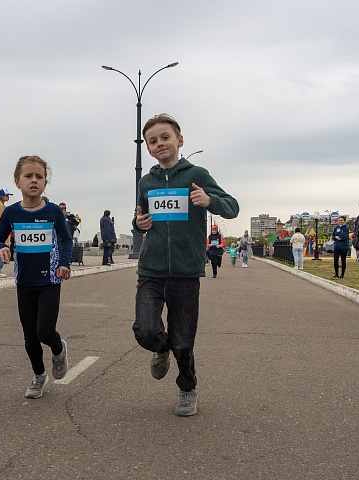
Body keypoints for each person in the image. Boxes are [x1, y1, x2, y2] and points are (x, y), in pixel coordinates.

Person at [132, 113, 239, 417]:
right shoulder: (147, 181)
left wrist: (209, 201)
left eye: (165, 137)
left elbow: (232, 206)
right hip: (151, 270)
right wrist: (138, 224)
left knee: (183, 340)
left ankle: (187, 388)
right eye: (153, 141)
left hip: (186, 271)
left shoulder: (197, 175)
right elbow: (140, 219)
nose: (159, 143)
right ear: (149, 149)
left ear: (179, 140)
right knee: (145, 330)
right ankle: (159, 348)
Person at [0, 155, 73, 399]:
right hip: (24, 281)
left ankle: (59, 349)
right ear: (17, 182)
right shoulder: (12, 213)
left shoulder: (53, 212)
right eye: (28, 176)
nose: (34, 180)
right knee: (29, 336)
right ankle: (39, 376)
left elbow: (66, 239)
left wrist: (64, 263)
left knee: (44, 331)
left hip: (50, 280)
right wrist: (1, 247)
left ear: (45, 183)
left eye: (39, 176)